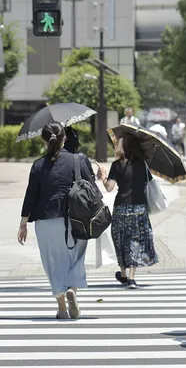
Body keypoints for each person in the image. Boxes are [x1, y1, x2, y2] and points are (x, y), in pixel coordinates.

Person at [18, 122, 98, 319]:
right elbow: (92, 189)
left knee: (53, 264)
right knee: (76, 258)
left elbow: (31, 196)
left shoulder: (37, 165)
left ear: (44, 140)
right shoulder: (76, 160)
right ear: (65, 138)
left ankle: (62, 308)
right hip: (75, 219)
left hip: (45, 222)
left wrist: (22, 224)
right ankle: (72, 288)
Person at [97, 136, 159, 289]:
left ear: (124, 147)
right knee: (135, 242)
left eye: (118, 143)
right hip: (139, 209)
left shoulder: (117, 165)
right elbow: (147, 183)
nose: (116, 145)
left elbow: (109, 187)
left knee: (121, 241)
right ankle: (129, 277)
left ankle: (123, 273)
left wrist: (103, 176)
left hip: (121, 209)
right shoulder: (142, 164)